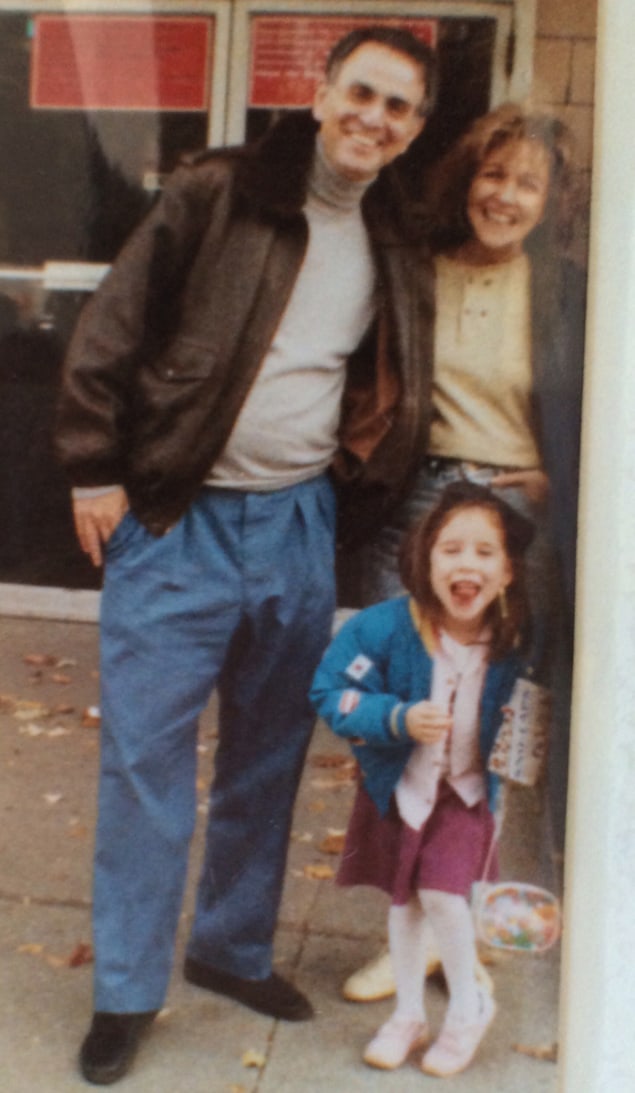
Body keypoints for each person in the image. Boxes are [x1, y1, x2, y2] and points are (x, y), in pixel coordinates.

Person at [54, 25, 437, 1087]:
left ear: (411, 131)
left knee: (267, 757)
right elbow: (111, 327)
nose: (373, 118)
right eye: (359, 93)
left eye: (398, 108)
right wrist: (95, 466)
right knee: (146, 765)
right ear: (319, 95)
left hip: (298, 525)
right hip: (178, 520)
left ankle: (230, 950)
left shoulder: (393, 237)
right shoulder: (218, 190)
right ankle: (125, 988)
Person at [343, 101, 585, 1004]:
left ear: (551, 199)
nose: (506, 195)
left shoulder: (569, 288)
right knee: (409, 723)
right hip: (422, 506)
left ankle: (473, 918)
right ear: (464, 180)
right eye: (493, 174)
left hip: (520, 519)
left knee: (498, 726)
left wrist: (564, 474)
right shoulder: (416, 274)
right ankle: (405, 934)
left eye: (528, 181)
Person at [311, 480, 533, 1077]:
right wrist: (397, 717)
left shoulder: (515, 643)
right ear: (424, 559)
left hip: (464, 796)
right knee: (404, 905)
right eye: (451, 549)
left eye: (486, 553)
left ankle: (469, 1004)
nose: (468, 564)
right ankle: (409, 1013)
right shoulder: (383, 629)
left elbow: (536, 716)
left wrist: (522, 751)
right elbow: (332, 692)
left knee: (441, 893)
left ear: (508, 571)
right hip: (401, 792)